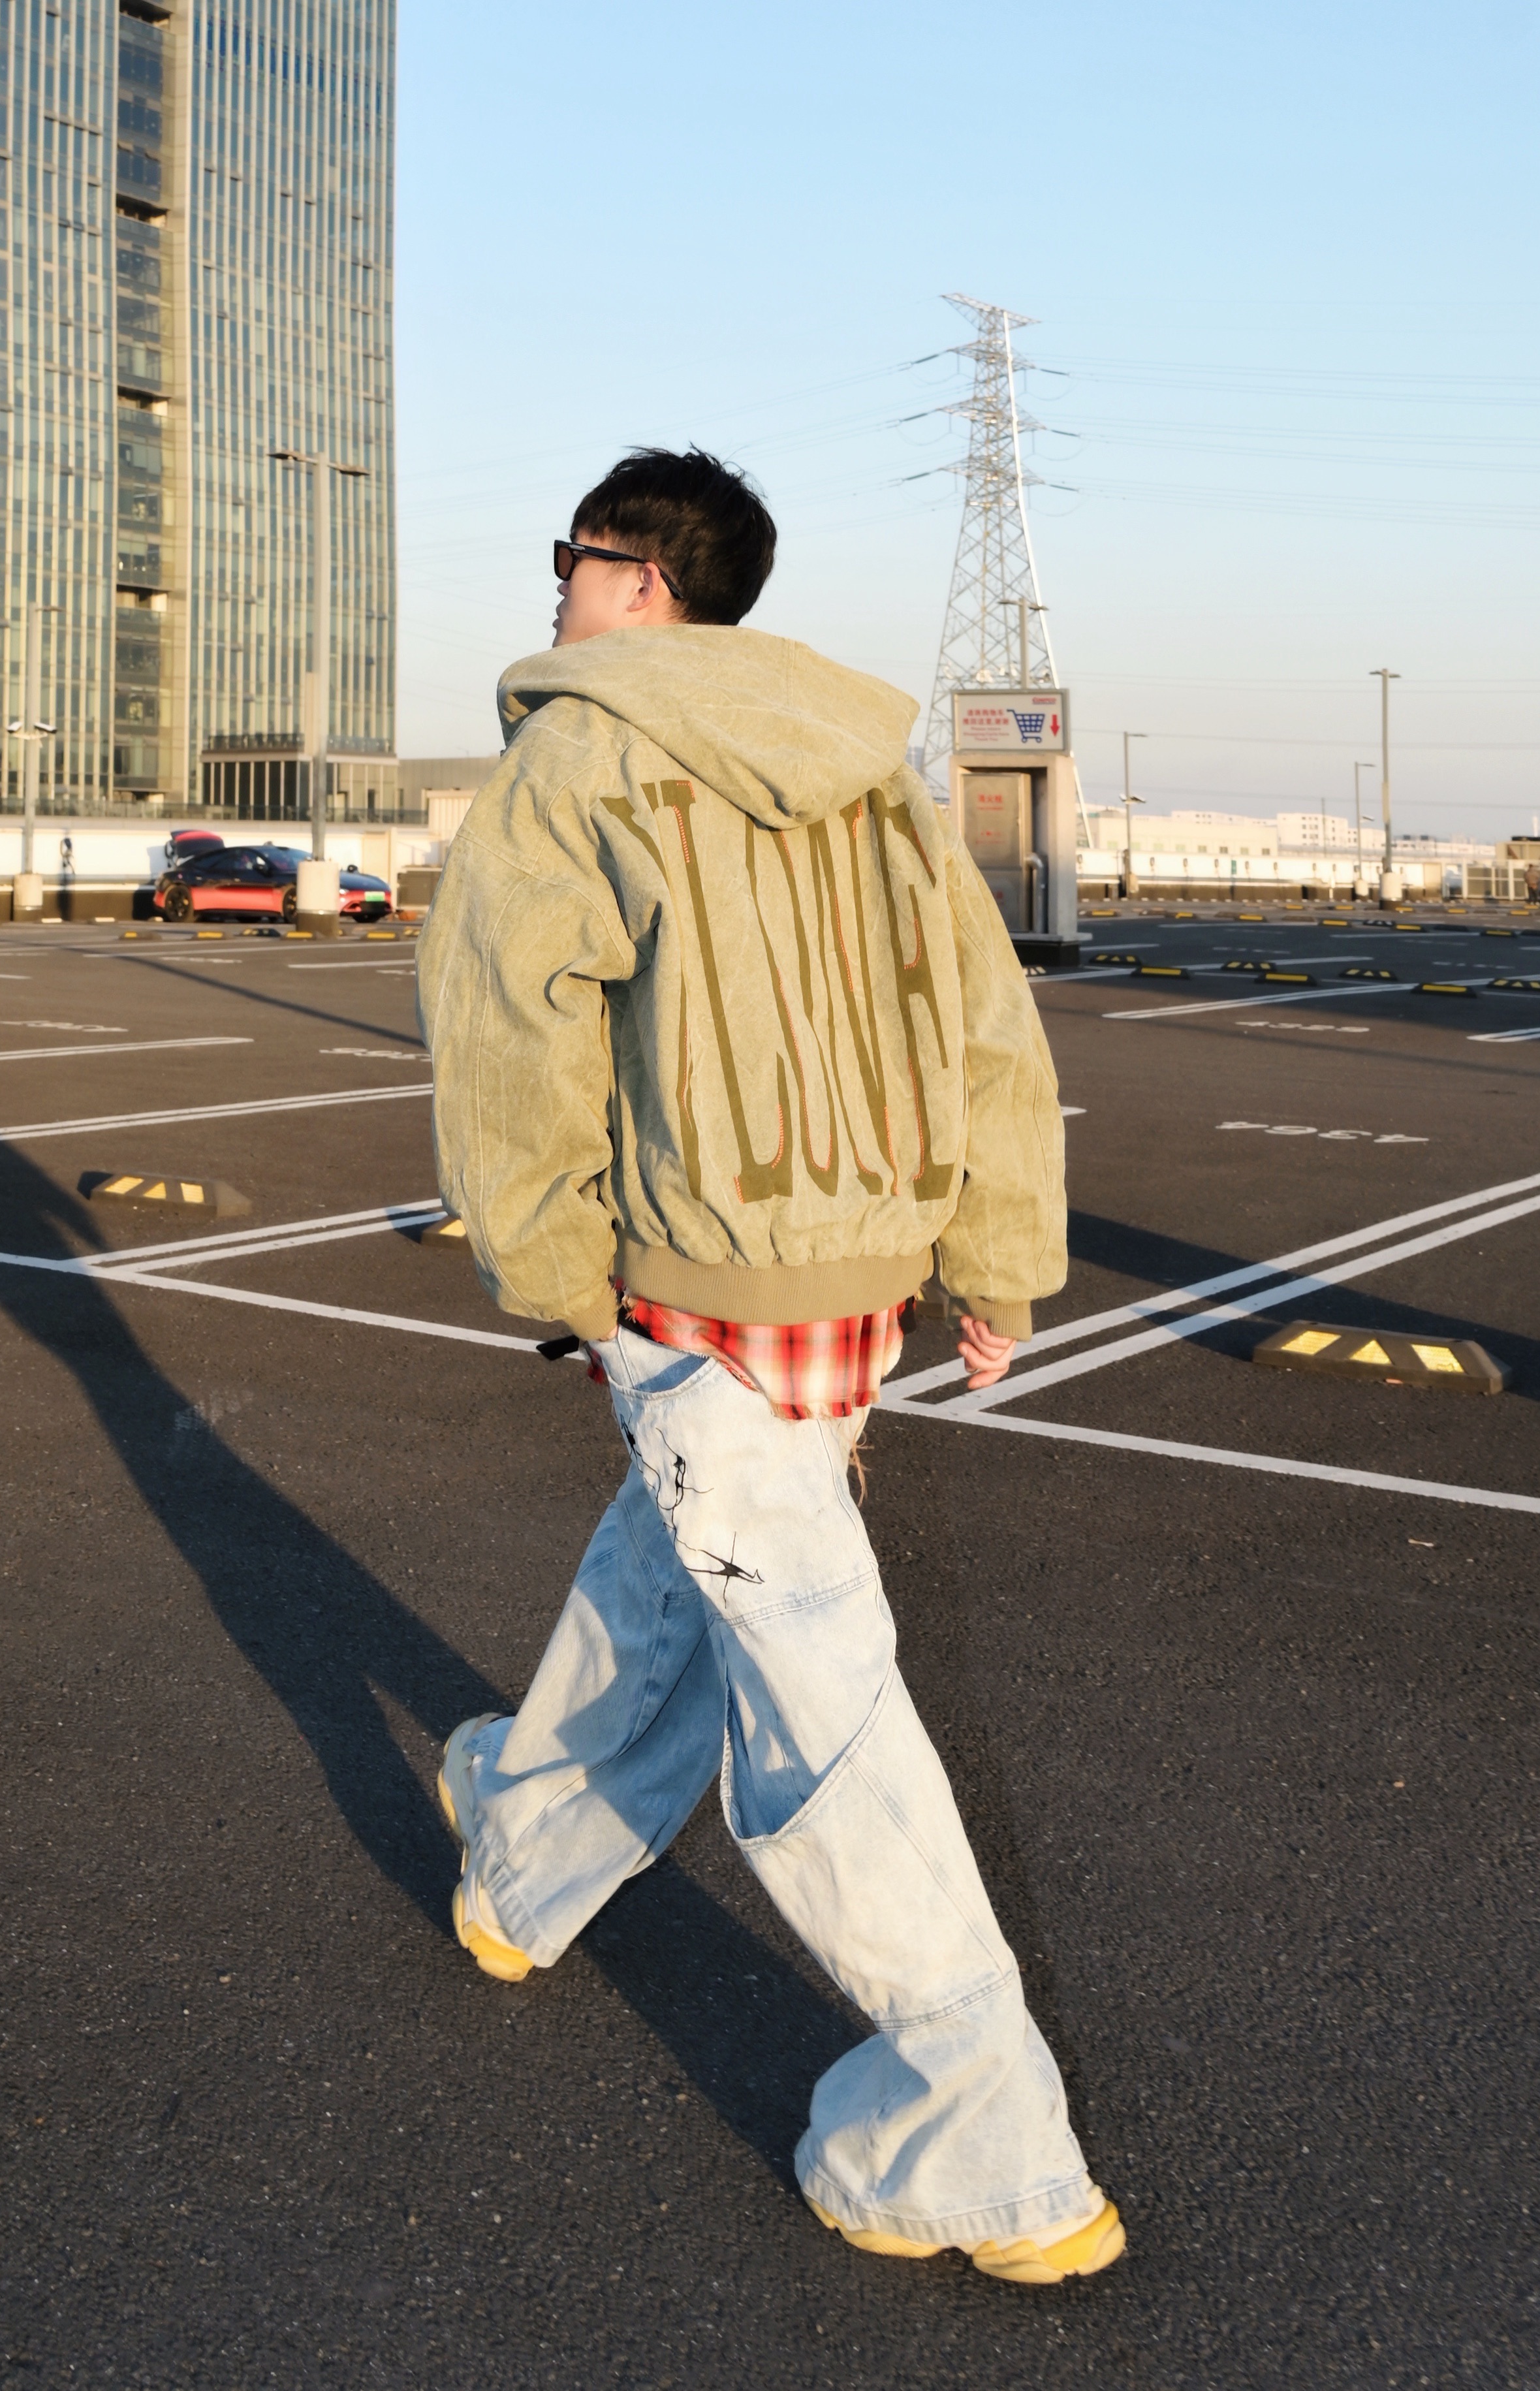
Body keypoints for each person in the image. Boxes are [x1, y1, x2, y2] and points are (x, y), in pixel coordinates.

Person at [416, 448, 1122, 2286]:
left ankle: (981, 2133)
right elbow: (981, 1019)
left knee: (821, 1699)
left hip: (698, 1277)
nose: (557, 586)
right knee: (683, 1565)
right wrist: (997, 1258)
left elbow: (511, 1028)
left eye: (571, 555)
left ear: (639, 578)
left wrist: (553, 1275)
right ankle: (523, 1858)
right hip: (853, 1287)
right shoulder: (869, 768)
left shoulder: (577, 753)